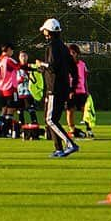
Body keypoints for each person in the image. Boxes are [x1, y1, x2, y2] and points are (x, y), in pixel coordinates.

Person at [35, 18, 78, 158]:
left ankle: (70, 144)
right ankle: (58, 149)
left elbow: (52, 67)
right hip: (63, 88)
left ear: (49, 32)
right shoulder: (64, 47)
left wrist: (41, 64)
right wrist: (73, 87)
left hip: (55, 89)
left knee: (50, 120)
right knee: (53, 119)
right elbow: (73, 68)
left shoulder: (52, 47)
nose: (44, 33)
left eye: (45, 31)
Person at [66, 44, 92, 139]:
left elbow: (84, 79)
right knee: (70, 111)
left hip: (81, 91)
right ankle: (72, 129)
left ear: (77, 54)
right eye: (70, 53)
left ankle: (89, 129)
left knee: (85, 111)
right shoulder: (66, 65)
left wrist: (87, 91)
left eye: (73, 53)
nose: (72, 54)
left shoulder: (82, 64)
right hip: (71, 92)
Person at [0, 43, 20, 136]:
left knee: (4, 110)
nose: (12, 52)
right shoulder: (8, 60)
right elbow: (19, 66)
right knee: (11, 110)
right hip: (10, 88)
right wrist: (33, 68)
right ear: (8, 49)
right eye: (12, 50)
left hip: (2, 87)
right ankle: (6, 131)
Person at [15, 50, 39, 126]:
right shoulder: (16, 68)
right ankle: (21, 126)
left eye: (25, 56)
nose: (23, 58)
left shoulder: (31, 67)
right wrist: (19, 80)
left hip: (29, 92)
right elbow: (13, 81)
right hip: (19, 92)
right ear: (19, 58)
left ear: (27, 57)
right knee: (20, 110)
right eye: (22, 56)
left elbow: (37, 79)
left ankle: (34, 124)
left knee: (31, 109)